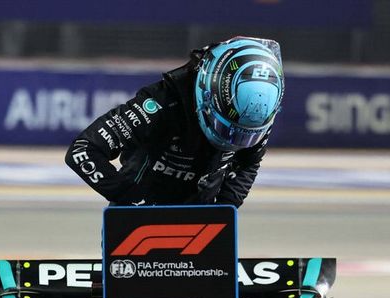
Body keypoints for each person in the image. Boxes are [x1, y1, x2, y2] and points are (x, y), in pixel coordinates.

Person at [65, 36, 283, 207]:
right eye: (229, 129)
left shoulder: (256, 111)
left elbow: (249, 161)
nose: (234, 139)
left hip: (205, 222)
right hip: (138, 218)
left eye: (243, 134)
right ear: (207, 94)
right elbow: (83, 150)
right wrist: (131, 200)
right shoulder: (162, 102)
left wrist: (225, 209)